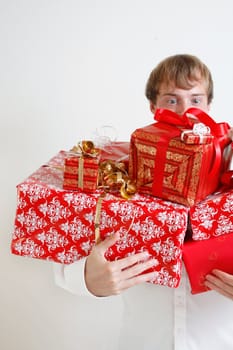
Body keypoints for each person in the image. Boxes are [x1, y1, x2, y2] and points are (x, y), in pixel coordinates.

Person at [54, 54, 233, 350]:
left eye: (196, 100)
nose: (186, 110)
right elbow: (68, 253)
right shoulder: (122, 174)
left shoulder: (228, 171)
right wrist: (86, 279)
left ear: (209, 106)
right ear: (154, 107)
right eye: (172, 100)